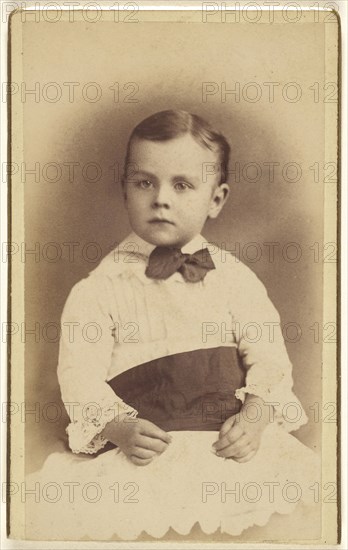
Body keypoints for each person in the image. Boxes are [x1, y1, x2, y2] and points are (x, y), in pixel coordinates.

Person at [25, 110, 320, 541]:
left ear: (216, 199)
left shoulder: (236, 279)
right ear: (125, 190)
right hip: (147, 451)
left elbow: (269, 359)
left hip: (229, 449)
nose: (161, 198)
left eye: (182, 185)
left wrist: (256, 416)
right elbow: (79, 377)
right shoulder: (98, 290)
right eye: (145, 182)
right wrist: (116, 427)